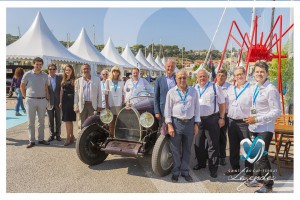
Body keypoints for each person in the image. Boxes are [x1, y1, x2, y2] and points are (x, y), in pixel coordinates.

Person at [244, 61, 281, 193]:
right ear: (254, 73)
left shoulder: (271, 90)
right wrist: (251, 118)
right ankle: (258, 178)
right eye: (257, 72)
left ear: (267, 73)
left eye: (262, 72)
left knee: (262, 157)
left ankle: (268, 185)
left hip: (265, 129)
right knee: (256, 156)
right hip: (254, 127)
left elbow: (277, 111)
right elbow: (255, 107)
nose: (259, 74)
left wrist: (257, 119)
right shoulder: (256, 87)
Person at [165, 69, 200, 183]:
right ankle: (175, 172)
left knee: (187, 149)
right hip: (176, 123)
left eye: (184, 77)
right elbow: (168, 109)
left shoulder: (193, 91)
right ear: (176, 79)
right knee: (175, 149)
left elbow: (197, 109)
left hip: (190, 123)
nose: (182, 80)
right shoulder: (171, 92)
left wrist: (196, 124)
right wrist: (169, 125)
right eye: (180, 78)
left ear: (187, 78)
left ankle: (185, 171)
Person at [193, 69, 226, 178]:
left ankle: (213, 168)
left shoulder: (215, 87)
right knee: (198, 144)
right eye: (200, 76)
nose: (202, 78)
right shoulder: (194, 89)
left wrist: (221, 117)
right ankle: (201, 163)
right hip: (198, 120)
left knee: (213, 145)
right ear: (197, 78)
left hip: (212, 119)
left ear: (208, 77)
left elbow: (222, 104)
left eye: (204, 76)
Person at [224, 66, 253, 178]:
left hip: (245, 122)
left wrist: (253, 118)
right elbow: (226, 103)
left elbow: (255, 105)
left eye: (241, 74)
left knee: (247, 148)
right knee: (233, 147)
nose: (239, 76)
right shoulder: (231, 89)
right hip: (231, 121)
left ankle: (249, 172)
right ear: (234, 77)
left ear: (245, 74)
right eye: (237, 75)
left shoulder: (252, 88)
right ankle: (235, 168)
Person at [20, 57, 50, 148]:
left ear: (42, 65)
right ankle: (31, 140)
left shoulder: (45, 75)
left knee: (41, 121)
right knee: (30, 122)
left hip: (42, 100)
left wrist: (47, 99)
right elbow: (22, 86)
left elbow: (46, 87)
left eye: (40, 64)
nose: (38, 66)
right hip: (31, 100)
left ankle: (41, 139)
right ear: (34, 64)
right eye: (37, 64)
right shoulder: (27, 74)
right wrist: (26, 97)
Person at [74, 63, 102, 129]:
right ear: (82, 71)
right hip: (82, 105)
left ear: (90, 69)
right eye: (84, 69)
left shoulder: (97, 79)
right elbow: (76, 95)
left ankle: (91, 138)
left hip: (93, 105)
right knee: (82, 124)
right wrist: (75, 106)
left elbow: (99, 93)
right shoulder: (78, 81)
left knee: (93, 123)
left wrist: (99, 105)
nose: (86, 70)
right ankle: (82, 138)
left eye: (87, 68)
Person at [216, 69, 231, 166]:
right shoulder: (212, 87)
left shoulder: (229, 88)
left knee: (222, 136)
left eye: (223, 75)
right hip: (213, 115)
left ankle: (222, 157)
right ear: (216, 76)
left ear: (226, 77)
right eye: (219, 75)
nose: (221, 77)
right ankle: (213, 156)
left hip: (224, 115)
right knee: (213, 136)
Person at [154, 60, 176, 126]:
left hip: (175, 110)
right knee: (163, 132)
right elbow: (156, 96)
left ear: (174, 68)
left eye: (172, 66)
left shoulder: (177, 79)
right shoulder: (159, 80)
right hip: (163, 110)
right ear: (165, 67)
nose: (170, 68)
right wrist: (157, 111)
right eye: (168, 66)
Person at [105, 66, 125, 136]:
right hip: (111, 103)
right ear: (112, 72)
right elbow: (106, 93)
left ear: (119, 73)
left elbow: (123, 92)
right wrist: (107, 103)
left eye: (117, 71)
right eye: (114, 71)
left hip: (119, 103)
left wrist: (123, 101)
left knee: (118, 120)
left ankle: (117, 135)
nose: (115, 72)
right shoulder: (108, 81)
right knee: (111, 120)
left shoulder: (121, 81)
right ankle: (111, 135)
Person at [60, 65, 77, 146]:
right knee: (68, 120)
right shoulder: (63, 79)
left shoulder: (75, 80)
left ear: (72, 70)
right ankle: (72, 136)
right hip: (64, 100)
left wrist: (75, 103)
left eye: (69, 70)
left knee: (68, 120)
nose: (67, 71)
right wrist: (60, 102)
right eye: (66, 70)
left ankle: (68, 138)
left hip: (71, 100)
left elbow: (77, 92)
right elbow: (61, 91)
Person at [46, 64, 62, 142]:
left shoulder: (60, 78)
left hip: (58, 102)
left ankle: (58, 134)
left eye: (53, 69)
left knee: (58, 119)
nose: (52, 70)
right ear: (48, 70)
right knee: (50, 119)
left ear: (55, 70)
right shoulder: (45, 78)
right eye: (50, 69)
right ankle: (52, 135)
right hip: (49, 102)